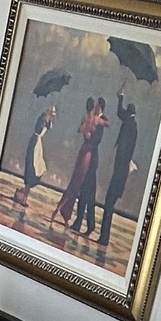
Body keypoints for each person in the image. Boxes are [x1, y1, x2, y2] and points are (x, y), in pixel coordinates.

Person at [58, 96, 107, 232]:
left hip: (91, 159)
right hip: (87, 157)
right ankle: (81, 223)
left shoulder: (102, 120)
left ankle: (85, 224)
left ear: (100, 107)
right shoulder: (93, 119)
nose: (95, 109)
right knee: (85, 193)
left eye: (97, 106)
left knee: (87, 194)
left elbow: (95, 141)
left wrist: (87, 133)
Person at [99, 94, 139, 249]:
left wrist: (120, 98)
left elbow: (120, 114)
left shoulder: (129, 125)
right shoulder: (132, 123)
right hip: (120, 173)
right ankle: (104, 237)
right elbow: (121, 113)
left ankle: (104, 237)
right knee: (110, 204)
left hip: (119, 173)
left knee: (109, 204)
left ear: (129, 113)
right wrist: (121, 96)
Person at [22, 103, 55, 192]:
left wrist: (50, 120)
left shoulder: (47, 121)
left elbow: (48, 127)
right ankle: (25, 192)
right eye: (52, 112)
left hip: (38, 143)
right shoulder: (42, 119)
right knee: (32, 165)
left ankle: (26, 191)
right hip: (35, 142)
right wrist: (48, 119)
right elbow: (40, 130)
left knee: (38, 166)